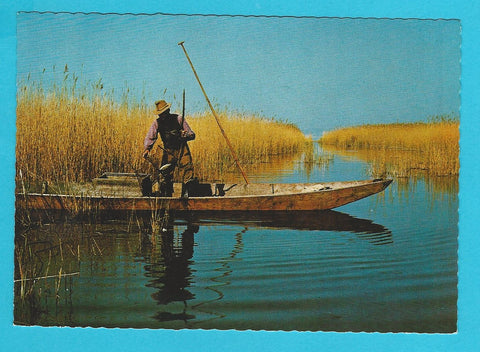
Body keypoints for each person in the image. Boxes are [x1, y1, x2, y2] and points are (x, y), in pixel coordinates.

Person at [143, 100, 195, 196]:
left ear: (168, 111)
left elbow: (192, 135)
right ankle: (166, 196)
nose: (161, 116)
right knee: (165, 174)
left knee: (187, 170)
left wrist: (185, 134)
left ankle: (188, 195)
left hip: (182, 149)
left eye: (163, 113)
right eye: (160, 114)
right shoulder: (157, 123)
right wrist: (147, 148)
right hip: (168, 151)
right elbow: (150, 136)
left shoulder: (179, 119)